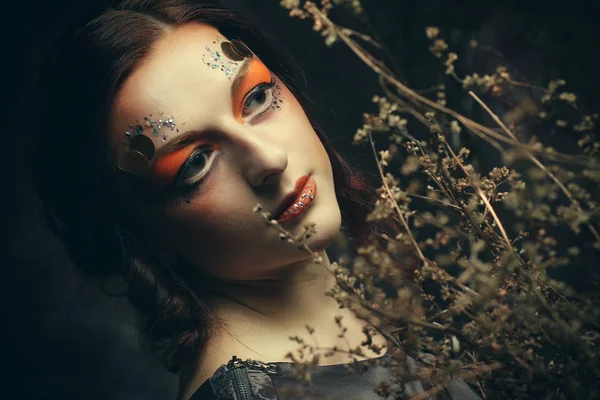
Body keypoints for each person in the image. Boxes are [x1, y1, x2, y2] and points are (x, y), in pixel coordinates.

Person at [31, 1, 481, 398]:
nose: (269, 159)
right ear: (137, 229)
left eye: (258, 98)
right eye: (194, 164)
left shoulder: (385, 313)